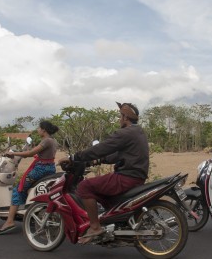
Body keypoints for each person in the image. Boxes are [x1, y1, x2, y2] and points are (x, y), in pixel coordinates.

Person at [59, 102, 149, 244]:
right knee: (100, 191)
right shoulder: (138, 132)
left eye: (120, 116)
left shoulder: (125, 133)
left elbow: (102, 148)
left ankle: (95, 227)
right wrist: (94, 161)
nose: (119, 119)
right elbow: (117, 155)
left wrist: (74, 158)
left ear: (125, 117)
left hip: (126, 177)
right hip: (136, 176)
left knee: (84, 187)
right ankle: (110, 223)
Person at [0, 120, 59, 235]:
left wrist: (14, 154)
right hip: (49, 168)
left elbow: (29, 154)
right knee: (27, 188)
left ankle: (9, 221)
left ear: (44, 130)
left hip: (40, 169)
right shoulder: (53, 141)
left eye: (39, 128)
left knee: (18, 190)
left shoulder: (47, 141)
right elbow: (41, 153)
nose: (37, 130)